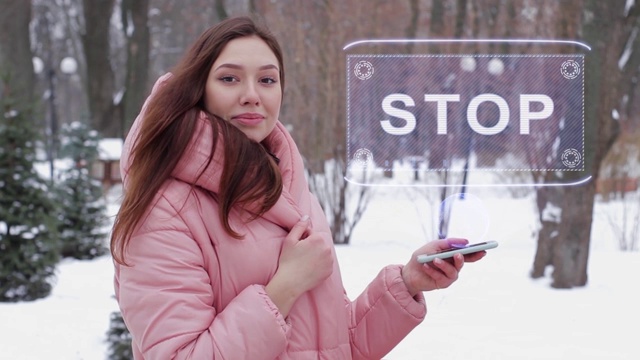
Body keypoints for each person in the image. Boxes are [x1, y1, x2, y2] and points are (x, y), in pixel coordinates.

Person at [110, 15, 486, 360]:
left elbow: (335, 346)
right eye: (229, 78)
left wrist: (407, 283)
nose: (252, 94)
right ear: (198, 89)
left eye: (267, 79)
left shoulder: (287, 190)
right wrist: (284, 288)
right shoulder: (162, 211)